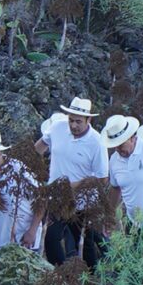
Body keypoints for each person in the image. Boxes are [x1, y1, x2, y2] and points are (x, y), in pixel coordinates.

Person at [40, 96, 107, 266]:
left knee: (80, 245)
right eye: (71, 120)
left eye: (78, 121)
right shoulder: (57, 128)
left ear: (89, 119)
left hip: (83, 203)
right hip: (57, 199)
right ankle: (62, 277)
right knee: (52, 239)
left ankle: (85, 281)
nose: (73, 125)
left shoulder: (97, 142)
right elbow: (40, 146)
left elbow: (102, 179)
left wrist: (72, 186)